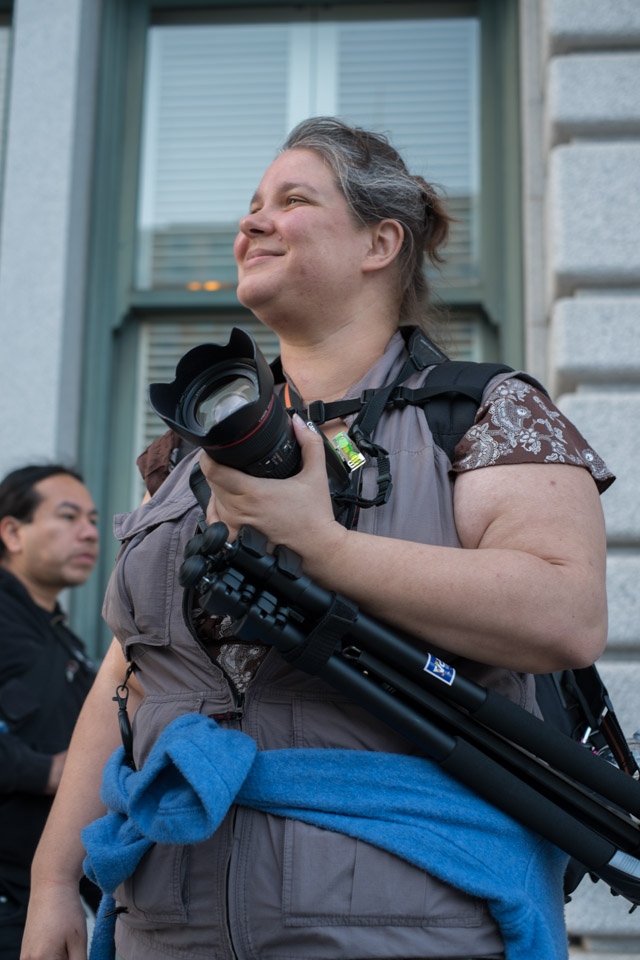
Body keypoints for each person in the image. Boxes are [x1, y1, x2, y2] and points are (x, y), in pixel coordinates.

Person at [21, 118, 614, 960]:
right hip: (168, 916)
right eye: (251, 205)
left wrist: (326, 549)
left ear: (381, 241)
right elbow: (132, 669)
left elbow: (567, 614)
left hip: (405, 921)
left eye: (292, 201)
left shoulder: (486, 413)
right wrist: (55, 882)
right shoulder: (188, 454)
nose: (252, 223)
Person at [0, 465, 99, 959]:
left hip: (37, 906)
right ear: (12, 532)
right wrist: (50, 771)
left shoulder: (66, 641)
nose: (90, 532)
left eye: (94, 520)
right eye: (68, 516)